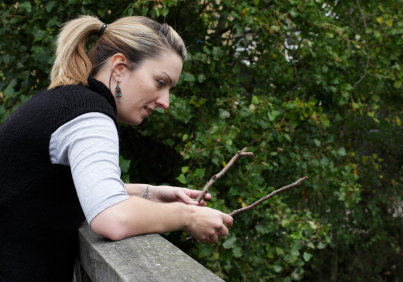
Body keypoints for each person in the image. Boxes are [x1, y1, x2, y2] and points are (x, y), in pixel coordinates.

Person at [0, 15, 233, 282]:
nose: (165, 102)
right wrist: (188, 215)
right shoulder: (89, 115)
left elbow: (60, 188)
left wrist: (149, 194)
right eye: (160, 82)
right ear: (120, 68)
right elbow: (111, 218)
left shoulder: (66, 101)